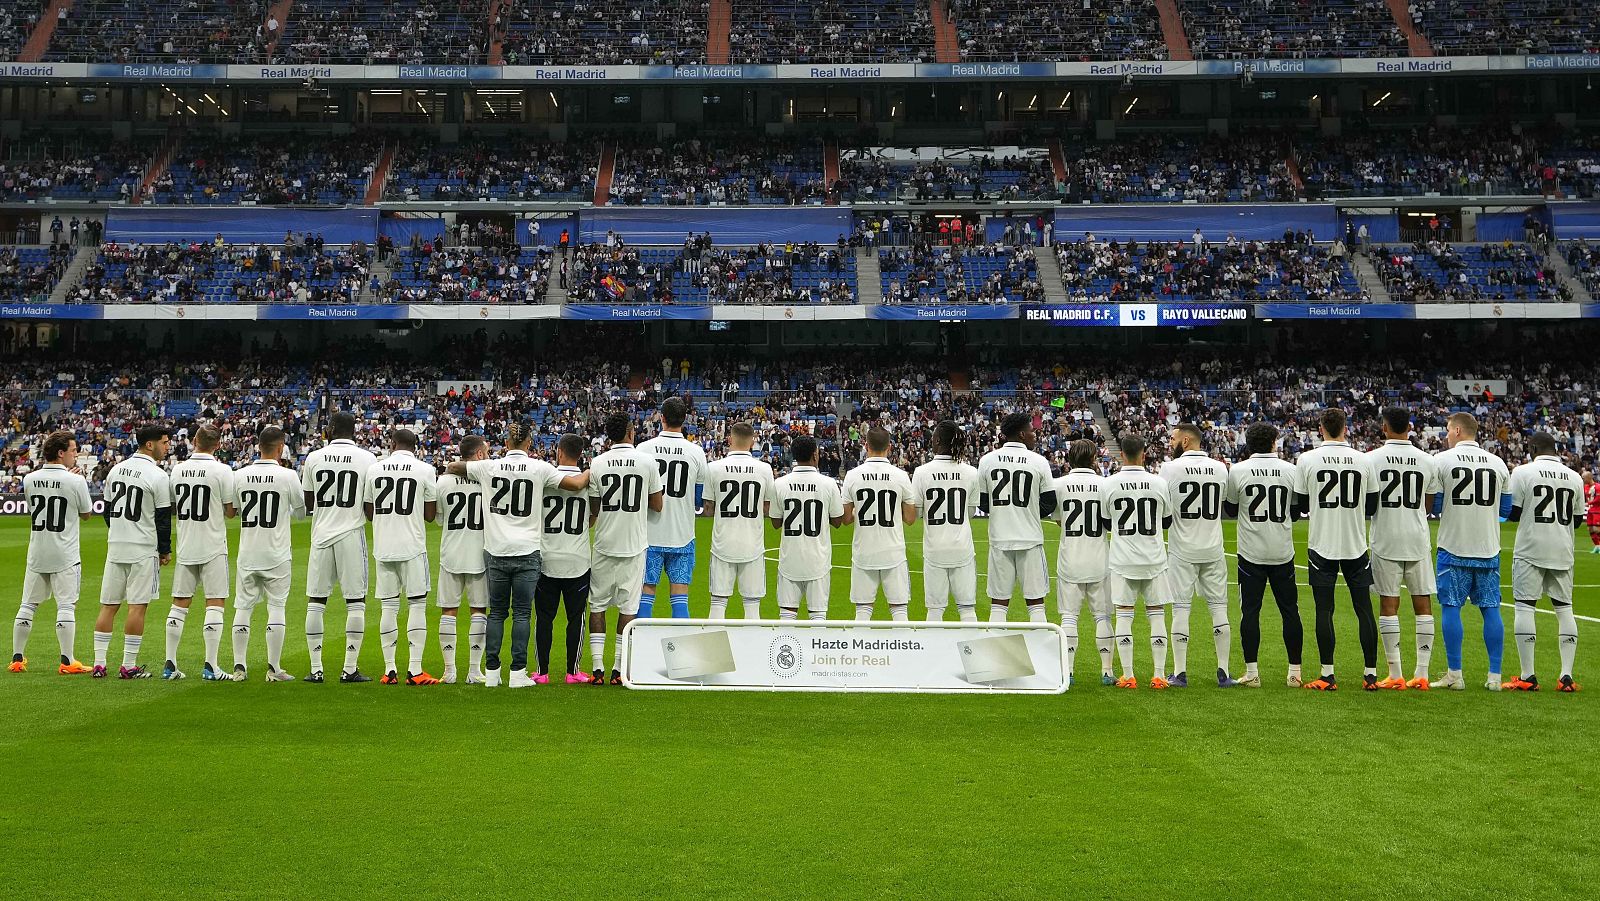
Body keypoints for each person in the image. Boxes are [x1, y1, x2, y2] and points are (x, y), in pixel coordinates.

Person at [446, 420, 591, 688]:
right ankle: (517, 673)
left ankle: (491, 673)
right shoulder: (540, 467)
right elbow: (575, 484)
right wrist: (593, 471)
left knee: (497, 613)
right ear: (529, 443)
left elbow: (454, 466)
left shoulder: (489, 466)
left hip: (496, 550)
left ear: (505, 443)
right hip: (527, 550)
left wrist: (461, 467)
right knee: (522, 613)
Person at [1294, 409, 1379, 691]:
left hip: (1322, 544)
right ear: (1346, 427)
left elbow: (1303, 505)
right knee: (1364, 609)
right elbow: (1371, 506)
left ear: (1320, 428)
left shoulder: (1307, 459)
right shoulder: (1363, 459)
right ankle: (1370, 675)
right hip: (1355, 543)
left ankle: (1327, 674)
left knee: (1324, 609)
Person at [1432, 412, 1512, 691]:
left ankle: (1455, 674)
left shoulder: (1441, 460)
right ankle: (1495, 676)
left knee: (1451, 607)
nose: (1445, 436)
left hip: (1454, 546)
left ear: (1456, 430)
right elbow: (1505, 510)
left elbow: (1434, 505)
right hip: (1488, 548)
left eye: (1446, 431)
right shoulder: (1499, 463)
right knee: (1491, 610)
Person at [1365, 408, 1442, 690]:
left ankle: (1395, 673)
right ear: (1410, 427)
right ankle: (1421, 673)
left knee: (1389, 604)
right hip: (1417, 538)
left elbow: (1368, 503)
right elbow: (1429, 505)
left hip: (1386, 538)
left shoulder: (1371, 459)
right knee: (1423, 604)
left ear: (1384, 427)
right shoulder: (1427, 460)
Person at [1223, 423, 1304, 687]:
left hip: (1251, 552)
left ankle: (1252, 672)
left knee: (1250, 612)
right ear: (1274, 442)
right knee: (1290, 611)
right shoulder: (1290, 470)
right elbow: (1295, 511)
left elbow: (1232, 509)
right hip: (1282, 550)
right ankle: (1294, 672)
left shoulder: (1238, 470)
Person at [300, 411, 378, 684]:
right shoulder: (368, 459)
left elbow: (309, 501)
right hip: (351, 533)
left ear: (331, 428)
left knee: (316, 601)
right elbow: (370, 506)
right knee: (355, 603)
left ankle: (316, 669)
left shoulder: (313, 457)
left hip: (321, 534)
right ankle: (349, 669)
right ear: (354, 430)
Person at [587, 415, 664, 685]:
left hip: (605, 543)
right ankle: (618, 669)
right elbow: (657, 504)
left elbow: (594, 508)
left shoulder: (598, 462)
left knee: (597, 605)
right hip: (633, 544)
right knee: (628, 608)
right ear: (631, 432)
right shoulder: (647, 462)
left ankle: (597, 668)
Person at [11, 431, 94, 675]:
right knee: (66, 606)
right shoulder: (75, 480)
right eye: (73, 450)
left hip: (38, 551)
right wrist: (78, 482)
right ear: (61, 453)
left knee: (27, 605)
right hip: (65, 552)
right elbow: (86, 514)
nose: (76, 454)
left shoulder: (29, 478)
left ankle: (17, 658)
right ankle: (67, 661)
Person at [93, 424, 173, 679]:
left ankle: (99, 664)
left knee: (108, 606)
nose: (167, 446)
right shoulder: (158, 475)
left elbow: (106, 510)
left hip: (116, 545)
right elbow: (162, 518)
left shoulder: (116, 470)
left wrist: (119, 530)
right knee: (137, 607)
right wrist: (165, 550)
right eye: (164, 442)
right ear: (150, 445)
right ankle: (128, 665)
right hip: (142, 548)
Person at [1158, 423, 1234, 688]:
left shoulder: (1170, 468)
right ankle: (1223, 671)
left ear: (1186, 441)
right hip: (1213, 547)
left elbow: (1164, 506)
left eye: (1173, 438)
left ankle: (1180, 673)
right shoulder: (1220, 468)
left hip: (1183, 548)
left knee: (1181, 607)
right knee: (1219, 608)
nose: (1170, 442)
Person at [1505, 433, 1584, 692]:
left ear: (1533, 448)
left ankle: (1528, 676)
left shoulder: (1523, 472)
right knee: (1564, 609)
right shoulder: (1574, 477)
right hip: (1562, 549)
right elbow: (1577, 520)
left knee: (1525, 608)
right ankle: (1566, 677)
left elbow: (1513, 514)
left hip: (1531, 548)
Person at [362, 428, 440, 686]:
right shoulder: (425, 470)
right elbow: (430, 515)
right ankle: (415, 670)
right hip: (412, 546)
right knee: (417, 605)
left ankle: (389, 669)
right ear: (414, 446)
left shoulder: (374, 469)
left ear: (392, 444)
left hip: (384, 547)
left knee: (388, 607)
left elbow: (369, 511)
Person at [231, 427, 306, 682]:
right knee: (276, 607)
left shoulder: (239, 475)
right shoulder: (288, 475)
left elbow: (235, 510)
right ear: (280, 446)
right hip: (276, 553)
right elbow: (300, 513)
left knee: (243, 607)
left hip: (248, 552)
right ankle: (273, 668)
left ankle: (239, 668)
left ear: (257, 446)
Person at [167, 425, 236, 681]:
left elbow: (174, 504)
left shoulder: (178, 469)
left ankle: (170, 664)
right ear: (218, 444)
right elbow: (230, 511)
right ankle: (211, 666)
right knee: (215, 602)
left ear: (194, 440)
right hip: (213, 545)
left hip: (186, 544)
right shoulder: (222, 470)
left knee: (179, 603)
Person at [1104, 434, 1172, 690]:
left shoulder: (1109, 484)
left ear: (1121, 454)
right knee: (1156, 616)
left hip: (1123, 560)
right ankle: (1159, 675)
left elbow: (1106, 522)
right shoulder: (1159, 483)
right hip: (1153, 559)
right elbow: (1166, 521)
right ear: (1144, 453)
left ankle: (1129, 675)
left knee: (1124, 616)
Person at [977, 412, 1057, 622]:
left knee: (998, 604)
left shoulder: (987, 461)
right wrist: (1027, 511)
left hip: (1000, 539)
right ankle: (1039, 652)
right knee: (1036, 605)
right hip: (1030, 539)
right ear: (1022, 434)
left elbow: (983, 502)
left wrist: (1004, 512)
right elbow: (1049, 502)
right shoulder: (1039, 461)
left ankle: (996, 652)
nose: (1035, 434)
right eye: (1032, 430)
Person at [638, 398, 709, 619]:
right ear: (685, 419)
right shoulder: (696, 452)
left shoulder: (643, 449)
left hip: (649, 535)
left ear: (662, 418)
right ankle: (680, 652)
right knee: (680, 599)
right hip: (683, 535)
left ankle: (642, 650)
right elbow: (699, 500)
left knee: (646, 594)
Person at [538, 434, 597, 684]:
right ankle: (573, 671)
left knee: (544, 617)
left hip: (547, 556)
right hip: (577, 558)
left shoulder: (544, 477)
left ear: (559, 451)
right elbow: (594, 515)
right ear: (580, 453)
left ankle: (542, 672)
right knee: (576, 618)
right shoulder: (588, 480)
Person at [1052, 438, 1113, 684]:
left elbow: (1058, 519)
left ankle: (1068, 671)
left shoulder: (1060, 484)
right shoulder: (1105, 484)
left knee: (1069, 616)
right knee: (1103, 617)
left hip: (1070, 559)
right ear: (1094, 459)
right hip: (1099, 558)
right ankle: (1107, 671)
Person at [842, 427, 917, 621]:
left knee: (863, 612)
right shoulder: (900, 476)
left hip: (864, 552)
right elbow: (910, 519)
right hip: (893, 551)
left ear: (866, 446)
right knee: (899, 611)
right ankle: (902, 651)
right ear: (889, 447)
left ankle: (862, 652)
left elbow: (846, 518)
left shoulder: (852, 475)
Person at [703, 422, 774, 620]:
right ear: (753, 441)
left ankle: (715, 651)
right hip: (753, 544)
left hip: (722, 543)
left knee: (718, 603)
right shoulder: (765, 469)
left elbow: (708, 509)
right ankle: (751, 650)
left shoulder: (713, 468)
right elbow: (767, 509)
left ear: (729, 439)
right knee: (752, 606)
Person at [769, 435, 845, 621]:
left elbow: (775, 523)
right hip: (817, 560)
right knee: (818, 616)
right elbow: (837, 521)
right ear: (815, 455)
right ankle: (816, 651)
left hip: (790, 559)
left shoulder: (779, 484)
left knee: (786, 616)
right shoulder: (828, 484)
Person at [911, 421, 980, 623]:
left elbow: (917, 512)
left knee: (934, 611)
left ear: (938, 440)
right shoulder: (970, 472)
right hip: (962, 548)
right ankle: (971, 654)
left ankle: (934, 655)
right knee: (967, 610)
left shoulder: (921, 472)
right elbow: (970, 512)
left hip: (934, 549)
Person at [436, 436, 489, 684]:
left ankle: (449, 671)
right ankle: (474, 671)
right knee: (479, 610)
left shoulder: (444, 481)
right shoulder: (489, 480)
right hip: (480, 551)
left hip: (451, 551)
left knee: (449, 610)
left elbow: (438, 518)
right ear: (479, 455)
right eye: (486, 452)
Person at [1584, 470, 1600, 554]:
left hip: (1597, 510)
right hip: (1590, 511)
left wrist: (1589, 503)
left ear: (1589, 478)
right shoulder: (1585, 487)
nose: (1583, 479)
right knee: (1590, 529)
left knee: (1597, 529)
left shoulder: (1598, 487)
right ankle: (1597, 546)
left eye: (1584, 478)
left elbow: (1598, 499)